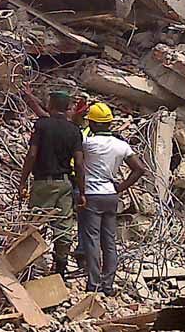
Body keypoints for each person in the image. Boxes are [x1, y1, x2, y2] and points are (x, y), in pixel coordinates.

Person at [17, 91, 85, 278]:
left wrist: (23, 181)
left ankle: (28, 267)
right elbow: (79, 163)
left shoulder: (41, 125)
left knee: (35, 224)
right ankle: (60, 269)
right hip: (64, 184)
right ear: (67, 108)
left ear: (52, 104)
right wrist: (82, 192)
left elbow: (32, 154)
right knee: (63, 227)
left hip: (42, 183)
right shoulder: (74, 131)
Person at [81, 103, 146, 296]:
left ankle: (93, 283)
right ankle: (107, 284)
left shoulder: (87, 143)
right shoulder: (122, 145)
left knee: (92, 240)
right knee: (109, 241)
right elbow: (139, 169)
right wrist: (120, 187)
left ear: (92, 123)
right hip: (111, 195)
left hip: (92, 195)